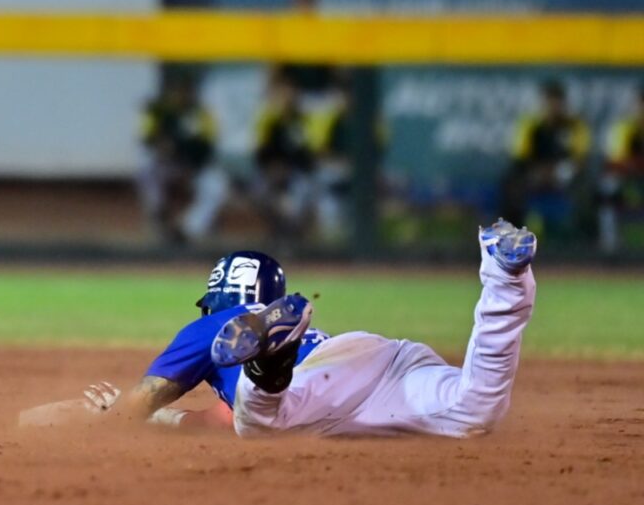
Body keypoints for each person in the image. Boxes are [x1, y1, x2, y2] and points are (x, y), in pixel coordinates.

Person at [70, 218, 536, 439]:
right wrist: (163, 420)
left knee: (261, 424)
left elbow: (138, 404)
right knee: (475, 409)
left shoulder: (210, 327)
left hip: (309, 384)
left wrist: (114, 415)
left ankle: (271, 362)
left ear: (215, 299)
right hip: (376, 360)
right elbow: (219, 421)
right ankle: (505, 276)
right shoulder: (261, 330)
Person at [137, 71, 229, 244]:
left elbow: (208, 148)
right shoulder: (157, 112)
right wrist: (160, 144)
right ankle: (159, 215)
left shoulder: (202, 114)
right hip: (166, 166)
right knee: (146, 170)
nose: (181, 95)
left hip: (194, 168)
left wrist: (189, 165)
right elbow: (145, 140)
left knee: (216, 187)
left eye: (186, 90)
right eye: (176, 90)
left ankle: (187, 229)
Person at [500, 80, 590, 239]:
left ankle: (582, 237)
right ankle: (513, 236)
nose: (552, 107)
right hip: (535, 173)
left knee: (585, 187)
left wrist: (557, 172)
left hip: (564, 174)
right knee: (510, 183)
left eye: (557, 102)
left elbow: (580, 160)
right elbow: (520, 158)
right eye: (549, 102)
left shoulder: (574, 125)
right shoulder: (530, 125)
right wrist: (539, 172)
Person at [252, 70, 317, 242]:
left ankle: (292, 239)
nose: (287, 97)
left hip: (298, 175)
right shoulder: (268, 120)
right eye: (282, 93)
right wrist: (273, 169)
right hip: (270, 175)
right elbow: (260, 154)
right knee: (261, 190)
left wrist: (289, 169)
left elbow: (310, 156)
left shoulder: (304, 120)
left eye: (291, 92)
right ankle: (281, 237)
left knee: (301, 192)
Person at [598, 86, 644, 254]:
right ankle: (610, 244)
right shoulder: (625, 128)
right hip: (628, 180)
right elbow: (616, 163)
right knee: (608, 187)